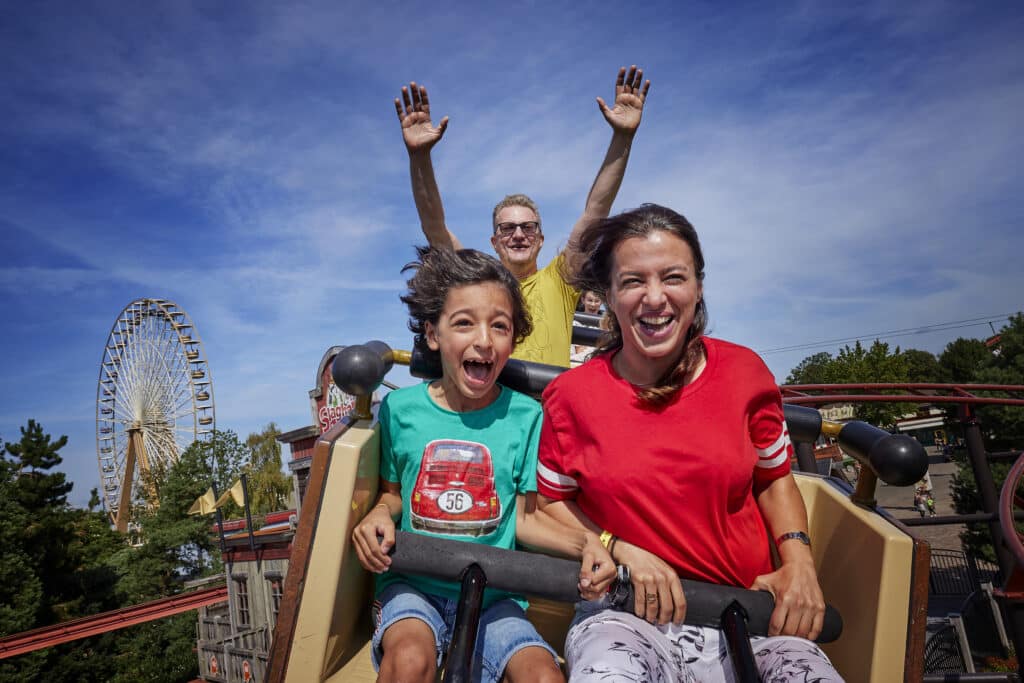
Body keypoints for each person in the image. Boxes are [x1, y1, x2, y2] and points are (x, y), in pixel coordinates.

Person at [535, 205, 843, 681]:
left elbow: (773, 478)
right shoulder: (570, 398)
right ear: (610, 297)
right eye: (633, 281)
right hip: (625, 614)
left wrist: (799, 561)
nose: (654, 297)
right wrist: (618, 548)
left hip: (750, 611)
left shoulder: (745, 373)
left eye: (673, 277)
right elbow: (553, 504)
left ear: (698, 288)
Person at [352, 247, 615, 683]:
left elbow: (525, 521)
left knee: (543, 676)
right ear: (433, 334)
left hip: (495, 595)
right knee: (409, 661)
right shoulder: (400, 410)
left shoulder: (526, 417)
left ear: (512, 341)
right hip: (416, 587)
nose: (484, 340)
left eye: (500, 326)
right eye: (464, 323)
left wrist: (587, 543)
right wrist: (380, 513)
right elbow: (392, 494)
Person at [394, 66, 651, 367]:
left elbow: (596, 210)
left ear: (540, 240)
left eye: (528, 227)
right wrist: (419, 157)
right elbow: (434, 227)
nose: (518, 235)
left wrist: (622, 137)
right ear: (494, 241)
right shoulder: (476, 281)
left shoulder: (560, 279)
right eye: (507, 228)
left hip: (547, 411)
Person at [570, 290, 604, 365]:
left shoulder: (605, 325)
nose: (593, 304)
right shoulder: (574, 322)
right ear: (583, 300)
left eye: (596, 301)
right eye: (590, 300)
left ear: (601, 302)